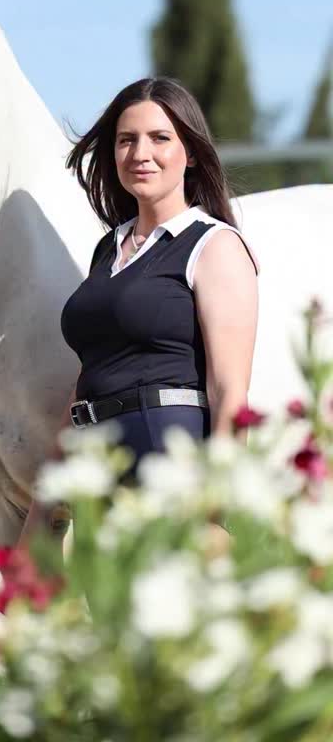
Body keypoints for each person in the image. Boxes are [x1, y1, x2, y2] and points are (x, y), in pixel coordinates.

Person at [19, 76, 259, 542]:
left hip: (169, 462)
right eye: (126, 140)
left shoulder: (214, 245)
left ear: (189, 153)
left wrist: (213, 508)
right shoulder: (108, 249)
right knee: (104, 612)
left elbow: (229, 390)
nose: (140, 153)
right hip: (96, 464)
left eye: (160, 138)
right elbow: (89, 379)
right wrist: (43, 506)